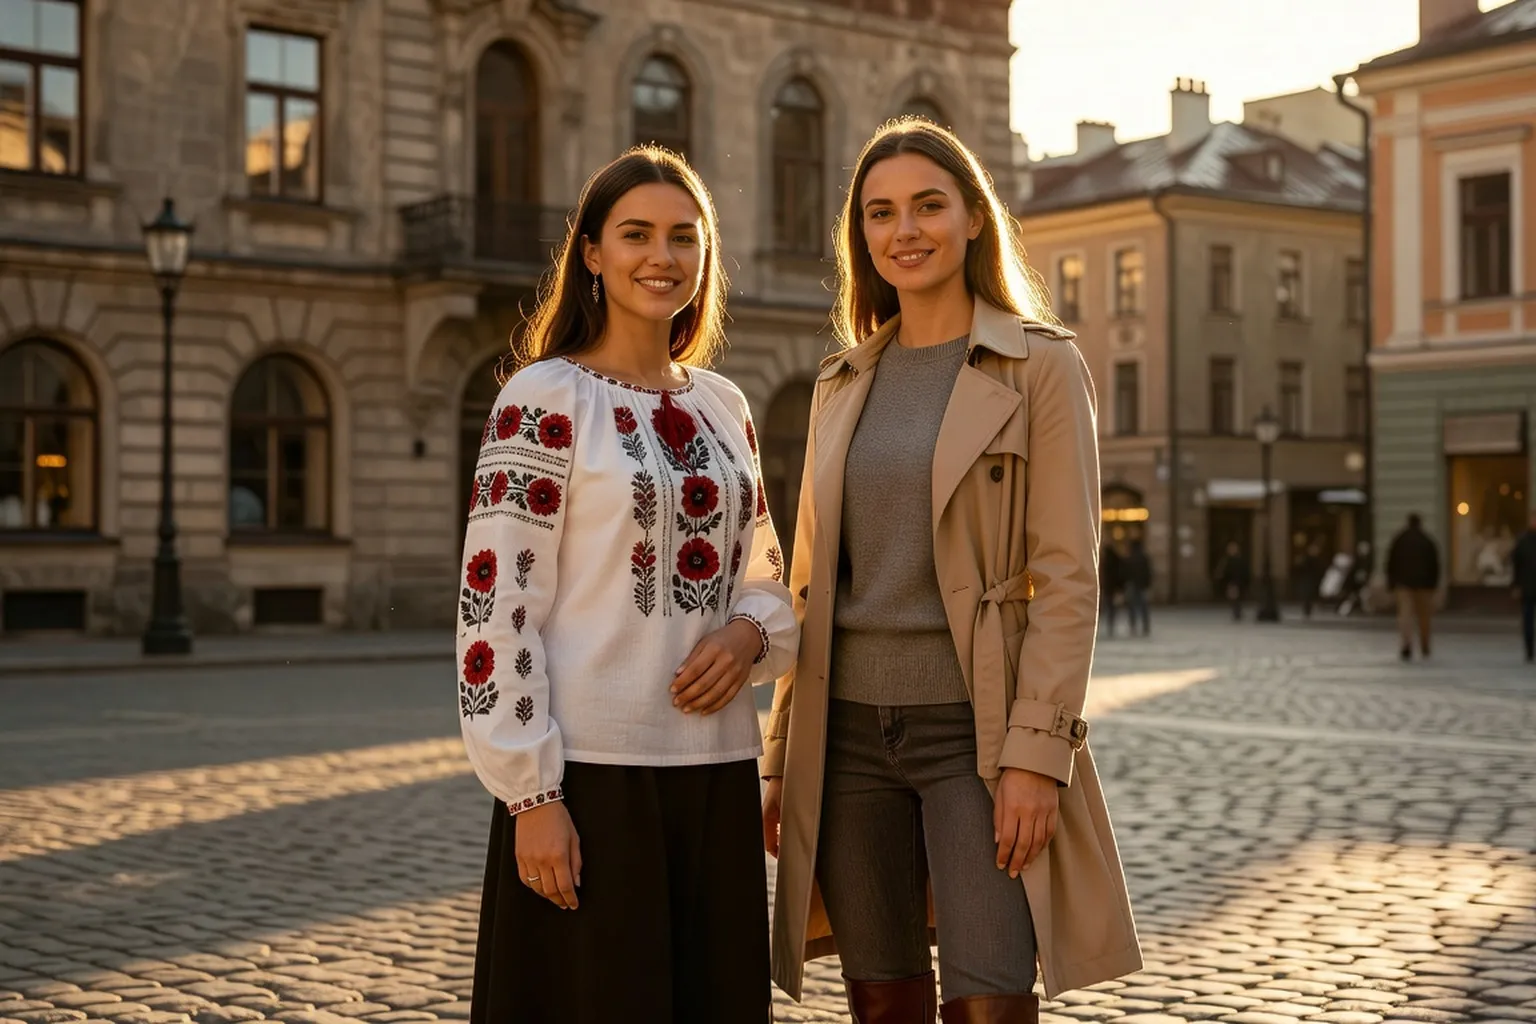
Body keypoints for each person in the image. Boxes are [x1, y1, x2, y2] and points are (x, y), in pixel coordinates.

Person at [761, 118, 1141, 1024]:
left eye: (928, 206)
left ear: (974, 217)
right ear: (862, 235)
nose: (905, 231)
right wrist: (781, 759)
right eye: (880, 213)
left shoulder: (1040, 366)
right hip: (845, 736)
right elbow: (808, 582)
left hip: (977, 732)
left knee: (991, 988)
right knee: (880, 997)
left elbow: (1068, 577)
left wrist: (1037, 757)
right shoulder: (841, 380)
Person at [456, 148, 799, 1024]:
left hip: (716, 772)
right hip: (590, 779)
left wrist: (749, 636)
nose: (662, 256)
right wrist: (531, 794)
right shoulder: (543, 397)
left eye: (684, 237)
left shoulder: (725, 406)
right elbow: (495, 609)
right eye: (636, 234)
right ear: (593, 255)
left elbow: (766, 575)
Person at [1386, 512, 1440, 661]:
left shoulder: (1400, 539)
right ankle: (1425, 645)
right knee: (1424, 616)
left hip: (1403, 583)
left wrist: (1391, 583)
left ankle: (1406, 644)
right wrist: (1434, 584)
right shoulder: (1427, 540)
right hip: (1424, 584)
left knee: (1405, 614)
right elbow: (1435, 564)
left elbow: (1391, 562)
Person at [1509, 511, 1536, 662]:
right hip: (1527, 587)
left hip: (1528, 586)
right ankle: (1529, 649)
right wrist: (1516, 585)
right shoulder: (1523, 541)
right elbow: (1516, 565)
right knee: (1527, 621)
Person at [1122, 539, 1152, 637]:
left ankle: (1133, 626)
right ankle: (1146, 626)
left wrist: (1124, 584)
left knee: (1132, 607)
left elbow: (1125, 573)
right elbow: (1148, 572)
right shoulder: (1144, 558)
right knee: (1144, 607)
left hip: (1132, 585)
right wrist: (1148, 585)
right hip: (1142, 585)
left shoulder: (1129, 558)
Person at [1215, 541, 1250, 621]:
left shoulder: (1239, 560)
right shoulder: (1227, 560)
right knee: (1234, 597)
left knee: (1236, 597)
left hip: (1237, 582)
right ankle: (1237, 612)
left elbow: (1244, 571)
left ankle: (1237, 612)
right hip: (1232, 582)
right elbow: (1224, 572)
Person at [1099, 541, 1124, 639]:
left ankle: (1109, 624)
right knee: (1112, 608)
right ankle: (1111, 624)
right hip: (1114, 588)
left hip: (1108, 588)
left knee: (1108, 607)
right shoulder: (1117, 561)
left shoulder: (1105, 562)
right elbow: (1120, 575)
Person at [1297, 542, 1325, 619]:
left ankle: (1309, 609)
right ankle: (1307, 610)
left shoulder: (1317, 559)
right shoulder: (1307, 559)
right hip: (1307, 579)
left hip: (1313, 579)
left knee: (1311, 595)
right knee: (1307, 595)